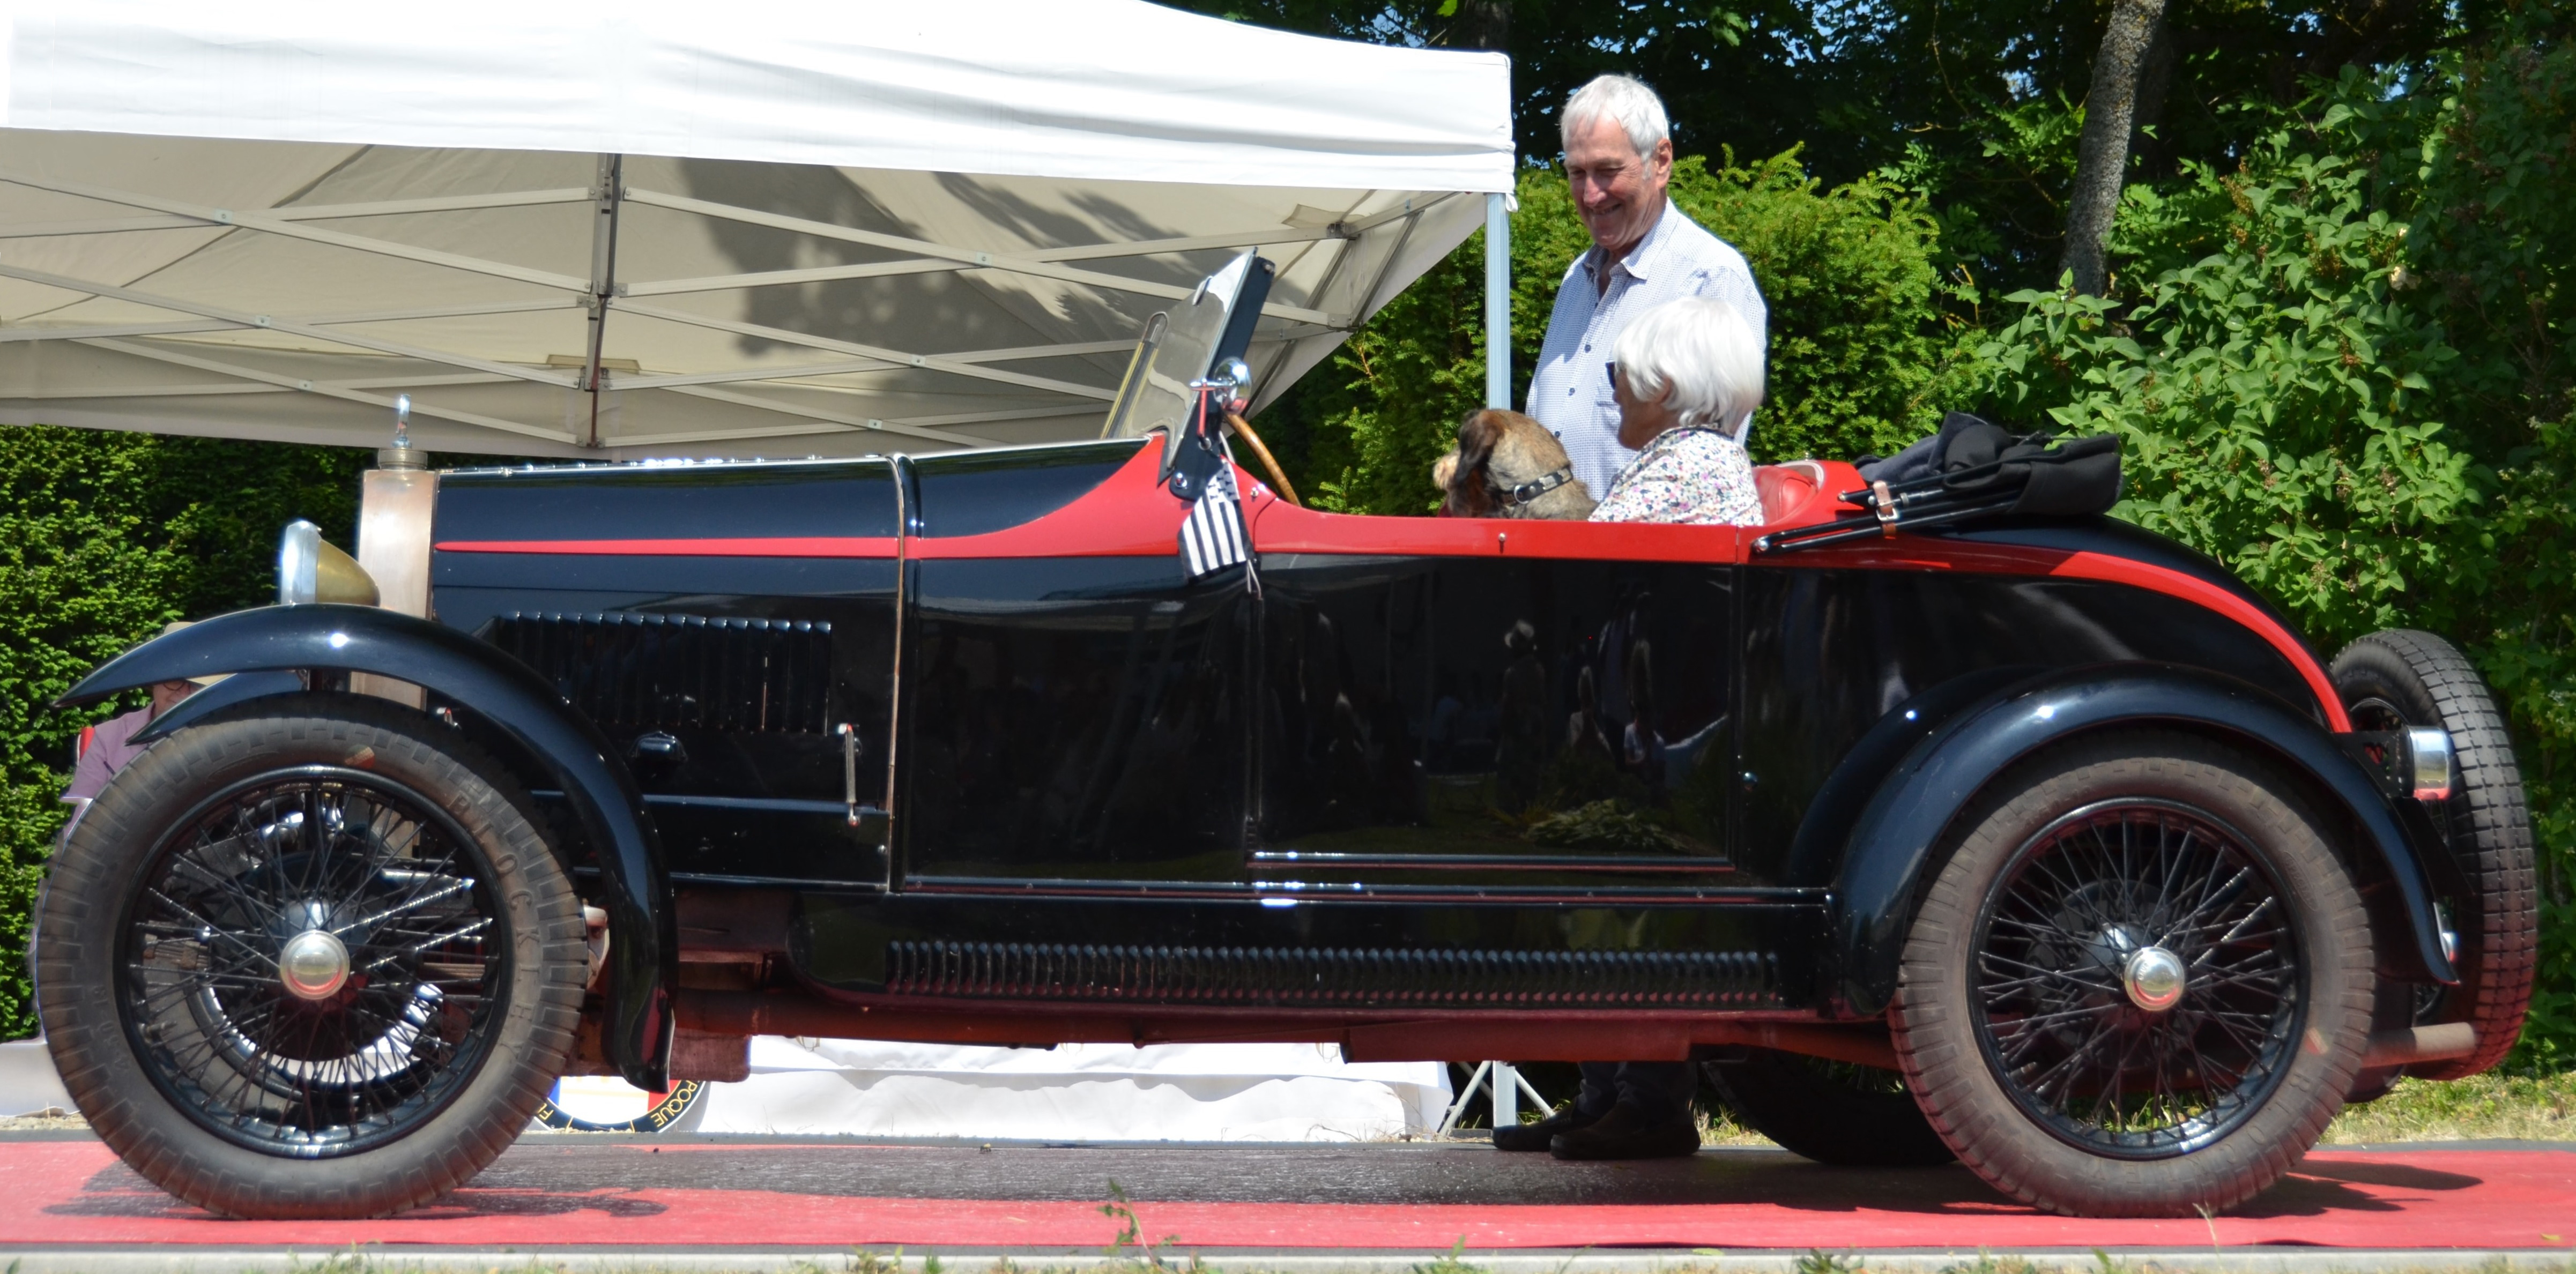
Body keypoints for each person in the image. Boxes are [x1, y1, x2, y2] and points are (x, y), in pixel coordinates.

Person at [1527, 73, 1768, 504]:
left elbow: (1709, 472)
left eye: (1607, 171)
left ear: (1661, 161)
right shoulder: (1575, 279)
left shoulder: (1710, 278)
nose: (1591, 195)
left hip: (1643, 543)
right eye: (1577, 173)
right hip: (1551, 543)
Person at [1587, 297, 1767, 527]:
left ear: (1661, 384)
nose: (1615, 396)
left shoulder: (1681, 468)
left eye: (1618, 371)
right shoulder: (1715, 455)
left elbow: (1584, 545)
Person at [61, 622, 213, 809]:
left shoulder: (227, 734)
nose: (184, 693)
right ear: (155, 680)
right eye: (174, 681)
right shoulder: (107, 739)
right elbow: (82, 820)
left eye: (197, 685)